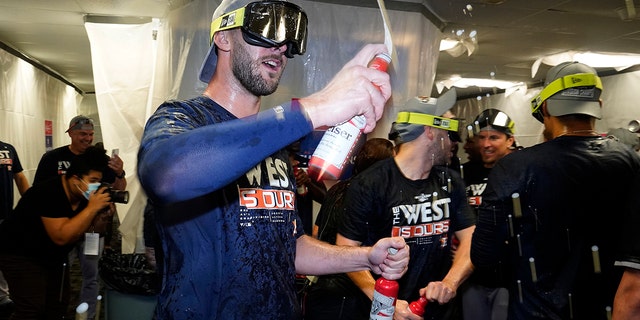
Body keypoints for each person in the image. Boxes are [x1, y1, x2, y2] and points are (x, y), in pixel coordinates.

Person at [136, 0, 409, 319]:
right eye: (263, 29)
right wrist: (313, 109)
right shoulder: (183, 119)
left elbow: (287, 246)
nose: (280, 47)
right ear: (223, 37)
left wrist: (364, 258)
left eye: (288, 38)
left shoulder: (273, 144)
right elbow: (166, 175)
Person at [470, 61, 640, 319]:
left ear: (546, 106)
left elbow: (484, 258)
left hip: (536, 311)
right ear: (599, 106)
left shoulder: (516, 167)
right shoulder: (630, 161)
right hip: (603, 308)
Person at [335, 92, 476, 320]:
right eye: (449, 133)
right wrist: (385, 303)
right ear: (430, 131)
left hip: (439, 312)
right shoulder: (371, 183)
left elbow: (471, 237)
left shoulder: (450, 181)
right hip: (383, 312)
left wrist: (450, 282)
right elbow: (346, 250)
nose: (454, 142)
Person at [0, 146, 112, 319]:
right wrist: (92, 209)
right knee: (32, 308)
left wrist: (101, 217)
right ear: (75, 178)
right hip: (19, 253)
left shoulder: (84, 198)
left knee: (58, 303)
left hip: (51, 255)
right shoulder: (48, 192)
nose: (96, 186)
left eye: (99, 181)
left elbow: (92, 231)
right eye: (93, 180)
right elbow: (62, 236)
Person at [33, 115, 126, 320]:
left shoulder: (98, 159)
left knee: (91, 277)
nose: (87, 138)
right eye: (83, 134)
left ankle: (88, 316)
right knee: (59, 275)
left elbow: (119, 190)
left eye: (91, 134)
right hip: (63, 226)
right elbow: (38, 191)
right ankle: (57, 312)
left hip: (93, 229)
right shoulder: (52, 158)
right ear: (71, 133)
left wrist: (119, 174)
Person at [305, 137, 395, 320]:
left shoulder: (337, 189)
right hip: (350, 293)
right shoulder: (374, 196)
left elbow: (316, 232)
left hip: (321, 288)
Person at [459, 109, 515, 320]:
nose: (486, 144)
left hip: (510, 276)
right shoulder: (466, 173)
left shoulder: (521, 170)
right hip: (472, 275)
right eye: (481, 137)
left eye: (494, 137)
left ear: (510, 140)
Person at [0, 140, 30, 314]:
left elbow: (19, 176)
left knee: (5, 258)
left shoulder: (8, 149)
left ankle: (3, 298)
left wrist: (31, 203)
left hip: (6, 214)